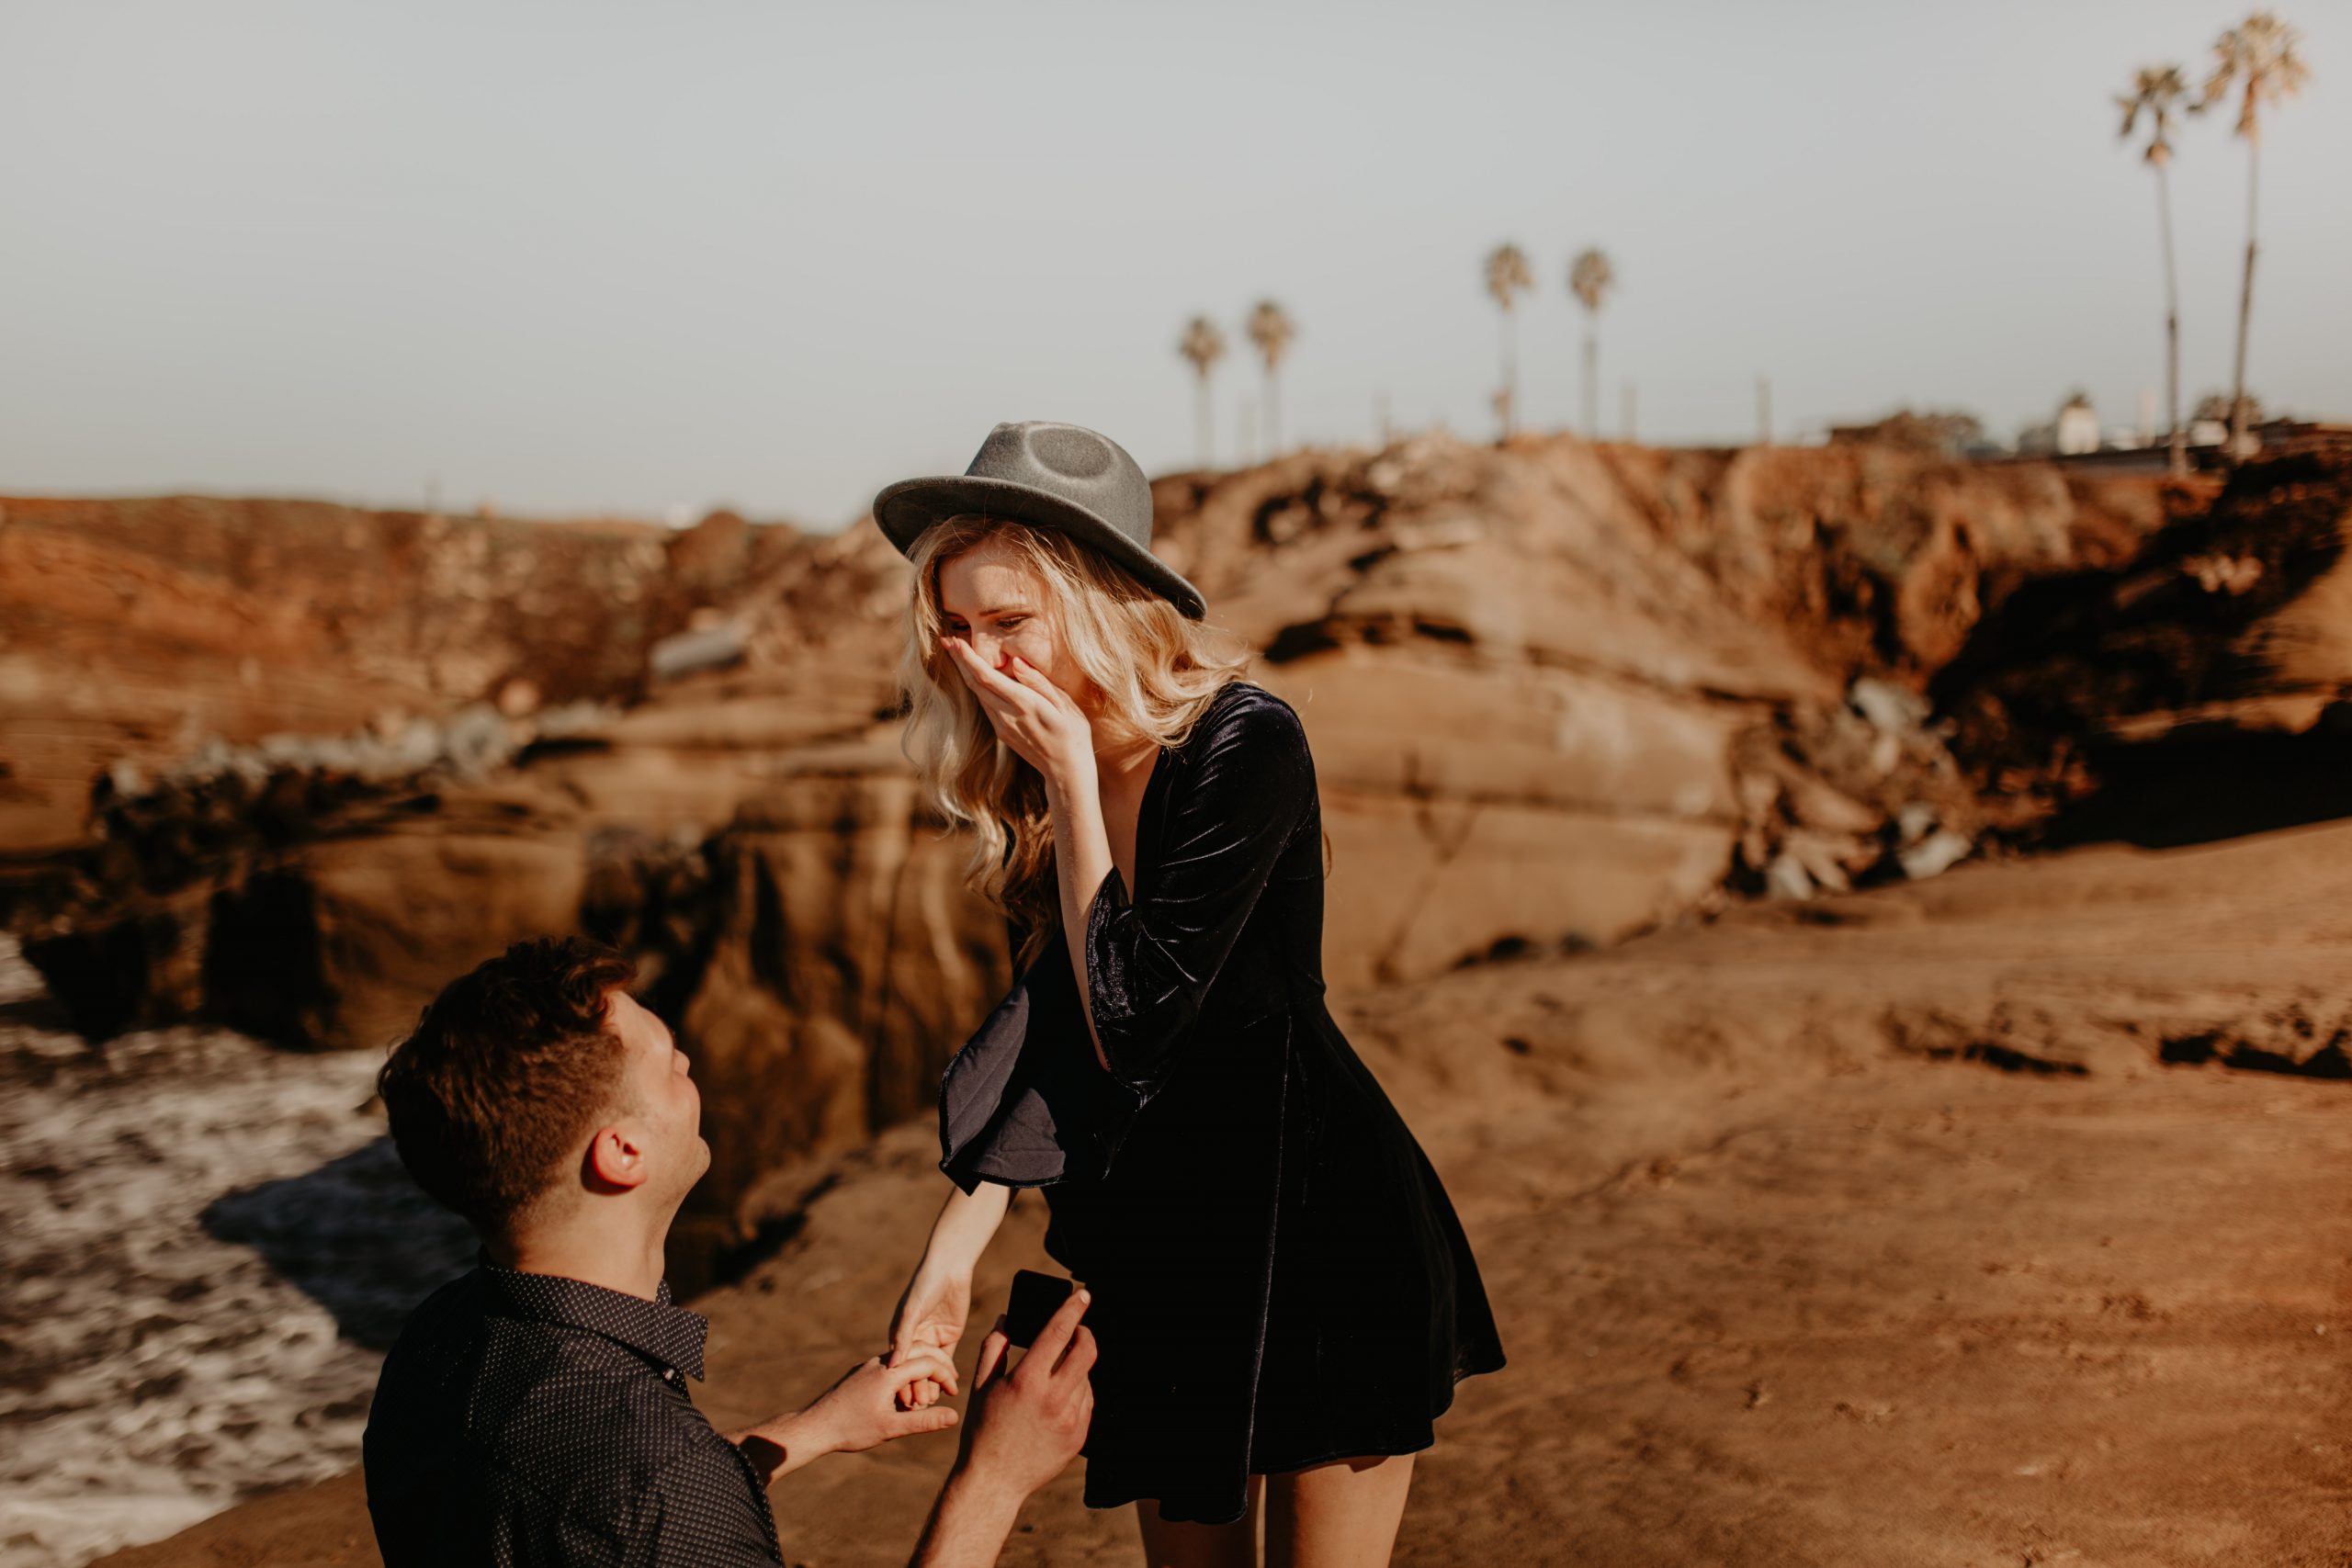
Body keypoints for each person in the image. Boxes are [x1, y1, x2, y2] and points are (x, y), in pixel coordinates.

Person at [870, 422, 1507, 1567]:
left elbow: (1137, 1019)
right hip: (1163, 1246)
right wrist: (949, 1259)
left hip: (1316, 1223)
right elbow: (1054, 1039)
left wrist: (1072, 777)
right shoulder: (1028, 791)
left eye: (1009, 624)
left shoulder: (1243, 740)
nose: (980, 664)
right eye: (957, 632)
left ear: (1100, 600)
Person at [363, 935, 1097, 1568]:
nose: (686, 1057)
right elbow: (646, 1509)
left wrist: (813, 1430)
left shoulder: (435, 1342)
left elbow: (607, 1521)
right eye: (665, 1060)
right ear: (623, 1151)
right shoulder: (659, 1483)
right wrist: (995, 1477)